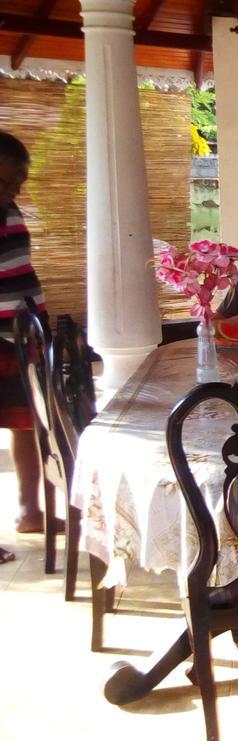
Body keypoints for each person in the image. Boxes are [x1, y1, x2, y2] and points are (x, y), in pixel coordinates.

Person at [0, 131, 50, 557]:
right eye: (7, 180)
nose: (14, 188)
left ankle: (29, 511)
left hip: (20, 338)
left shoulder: (8, 209)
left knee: (26, 424)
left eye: (19, 179)